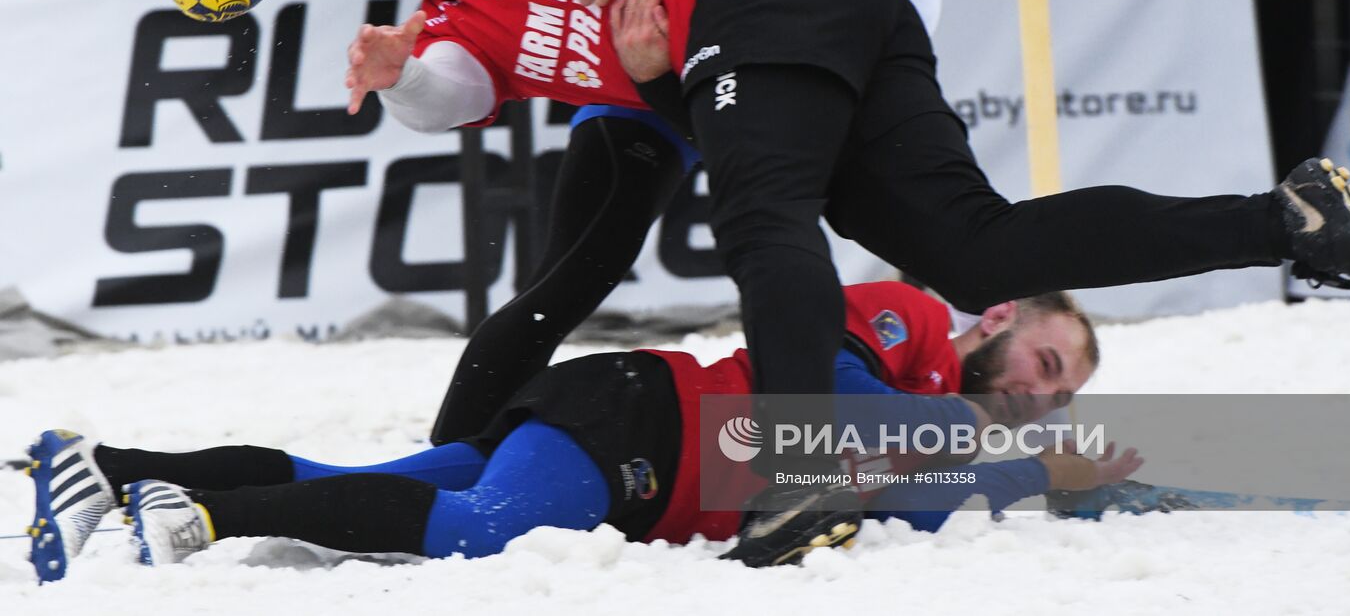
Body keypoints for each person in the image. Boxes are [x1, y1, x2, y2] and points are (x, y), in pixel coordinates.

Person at [308, 0, 1350, 565]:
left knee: (760, 210)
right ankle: (1287, 219)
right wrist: (417, 71)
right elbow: (457, 85)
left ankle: (799, 467)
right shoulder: (460, 7)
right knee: (969, 251)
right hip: (694, 60)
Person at [427, 0, 972, 448]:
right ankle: (445, 457)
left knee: (781, 232)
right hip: (632, 39)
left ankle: (803, 442)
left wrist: (660, 80)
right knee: (569, 281)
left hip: (692, 81)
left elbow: (798, 145)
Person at [25, 282, 1138, 579]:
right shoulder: (912, 330)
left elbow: (912, 495)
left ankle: (110, 470)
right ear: (997, 322)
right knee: (477, 530)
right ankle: (202, 515)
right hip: (643, 421)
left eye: (1061, 392)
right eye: (1044, 364)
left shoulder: (954, 427)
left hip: (641, 452)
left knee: (376, 479)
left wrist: (1034, 479)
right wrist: (996, 450)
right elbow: (830, 406)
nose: (1041, 393)